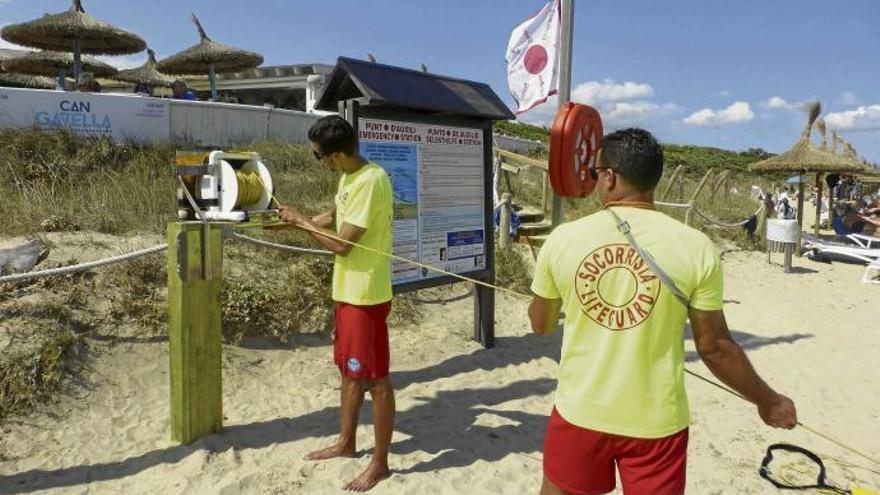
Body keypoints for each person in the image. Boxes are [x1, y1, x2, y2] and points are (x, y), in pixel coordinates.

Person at [528, 128, 797, 495]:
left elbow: (541, 325)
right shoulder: (696, 247)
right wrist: (769, 401)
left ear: (609, 177)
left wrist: (553, 295)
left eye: (594, 174)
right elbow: (715, 347)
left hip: (581, 411)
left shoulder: (564, 238)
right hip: (656, 421)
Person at [277, 115, 394, 492]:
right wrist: (297, 221)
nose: (320, 162)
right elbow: (336, 215)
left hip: (366, 295)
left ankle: (380, 463)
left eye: (319, 157)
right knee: (349, 370)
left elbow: (343, 244)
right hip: (346, 292)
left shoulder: (372, 180)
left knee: (375, 380)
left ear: (337, 154)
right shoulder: (348, 177)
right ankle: (346, 443)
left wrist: (302, 222)